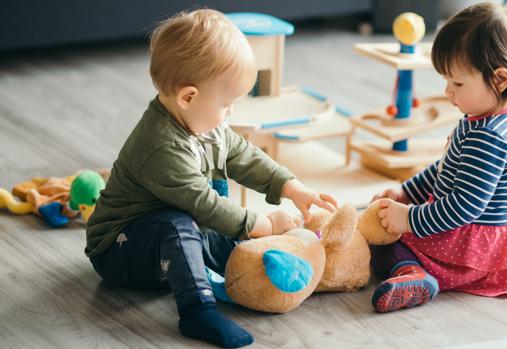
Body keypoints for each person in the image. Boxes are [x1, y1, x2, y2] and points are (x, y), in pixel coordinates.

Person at [85, 9, 337, 348]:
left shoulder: (207, 124)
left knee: (229, 239)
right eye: (227, 103)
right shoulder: (160, 146)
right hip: (119, 250)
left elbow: (243, 156)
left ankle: (273, 274)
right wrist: (264, 224)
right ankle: (197, 310)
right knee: (184, 222)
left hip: (175, 232)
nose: (231, 112)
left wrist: (292, 187)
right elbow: (204, 207)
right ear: (188, 97)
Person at [370, 2, 507, 313]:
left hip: (473, 247)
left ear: (500, 79)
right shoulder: (505, 115)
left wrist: (408, 218)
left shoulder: (489, 135)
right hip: (495, 241)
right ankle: (415, 266)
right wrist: (408, 191)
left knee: (382, 241)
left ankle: (413, 273)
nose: (448, 92)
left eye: (458, 83)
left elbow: (463, 206)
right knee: (387, 223)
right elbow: (448, 167)